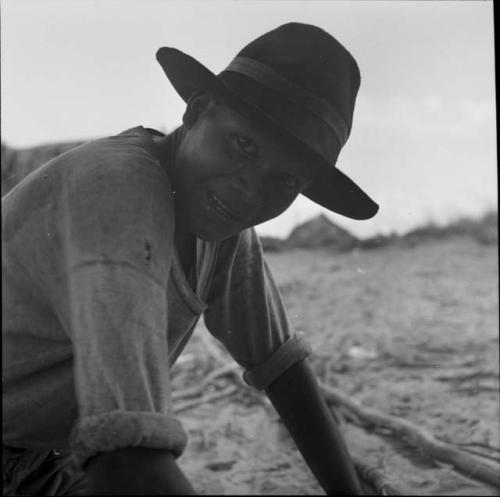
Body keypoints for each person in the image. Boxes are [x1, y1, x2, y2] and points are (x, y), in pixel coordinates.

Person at [2, 22, 379, 495]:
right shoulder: (117, 195)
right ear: (197, 110)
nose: (251, 188)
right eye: (243, 145)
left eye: (284, 182)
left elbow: (282, 367)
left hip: (40, 460)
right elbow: (126, 461)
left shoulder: (220, 223)